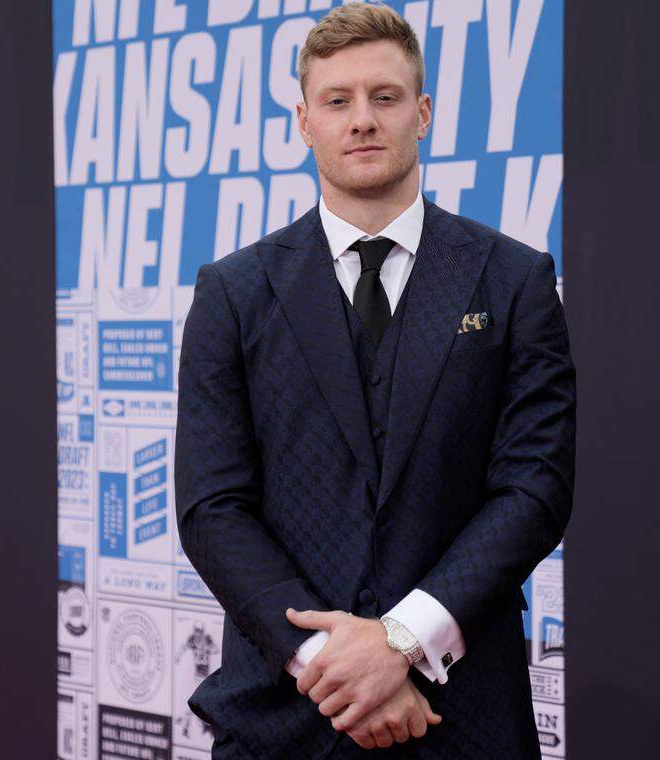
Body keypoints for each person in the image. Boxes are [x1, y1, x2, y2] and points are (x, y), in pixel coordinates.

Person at [174, 3, 575, 757]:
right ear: (304, 121)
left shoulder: (515, 280)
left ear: (422, 114)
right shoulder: (233, 292)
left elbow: (534, 490)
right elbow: (212, 506)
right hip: (287, 711)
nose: (362, 119)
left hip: (462, 716)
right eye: (338, 101)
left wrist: (399, 644)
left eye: (384, 98)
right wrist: (333, 667)